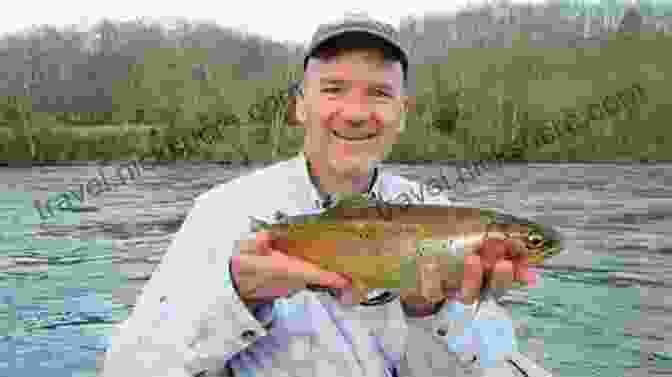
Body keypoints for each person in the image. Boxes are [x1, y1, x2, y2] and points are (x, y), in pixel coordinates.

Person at [102, 13, 539, 377]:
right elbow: (127, 369)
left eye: (380, 93)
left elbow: (492, 367)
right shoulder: (225, 213)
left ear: (402, 114)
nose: (354, 113)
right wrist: (238, 297)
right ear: (299, 105)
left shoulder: (444, 219)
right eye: (333, 89)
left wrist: (430, 313)